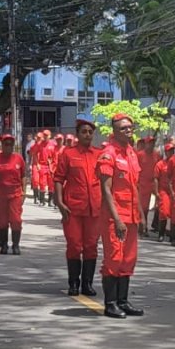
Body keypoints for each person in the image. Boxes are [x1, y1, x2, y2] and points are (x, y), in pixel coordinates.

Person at [96, 114, 144, 318]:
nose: (128, 130)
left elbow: (134, 187)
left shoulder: (131, 153)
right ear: (114, 132)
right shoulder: (108, 154)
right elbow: (106, 190)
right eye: (123, 128)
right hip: (114, 216)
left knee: (128, 259)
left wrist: (141, 213)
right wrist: (117, 219)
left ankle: (123, 301)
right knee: (114, 258)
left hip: (131, 215)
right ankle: (111, 303)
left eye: (130, 127)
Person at [54, 118, 103, 296]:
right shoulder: (68, 154)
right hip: (72, 208)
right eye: (84, 131)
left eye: (90, 132)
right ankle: (73, 283)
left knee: (91, 246)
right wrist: (59, 202)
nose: (87, 135)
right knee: (74, 245)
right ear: (77, 134)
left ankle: (87, 284)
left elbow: (106, 182)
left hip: (94, 208)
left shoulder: (99, 154)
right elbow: (59, 179)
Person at [0, 134, 26, 255]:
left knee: (16, 220)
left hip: (15, 194)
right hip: (1, 195)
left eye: (11, 144)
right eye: (6, 144)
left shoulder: (18, 158)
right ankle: (4, 245)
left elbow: (23, 176)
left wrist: (24, 192)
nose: (9, 146)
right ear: (2, 145)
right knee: (2, 221)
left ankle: (16, 245)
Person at [136, 137, 159, 238]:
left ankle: (156, 225)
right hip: (142, 183)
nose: (152, 145)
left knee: (160, 204)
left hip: (154, 182)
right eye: (150, 143)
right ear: (145, 144)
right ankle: (143, 227)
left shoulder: (157, 155)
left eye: (153, 143)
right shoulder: (140, 155)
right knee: (144, 207)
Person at [153, 142, 174, 242]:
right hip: (164, 190)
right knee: (164, 212)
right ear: (166, 152)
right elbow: (156, 178)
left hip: (174, 190)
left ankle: (174, 235)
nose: (171, 152)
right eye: (169, 151)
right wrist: (157, 192)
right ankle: (161, 233)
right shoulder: (160, 164)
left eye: (172, 151)